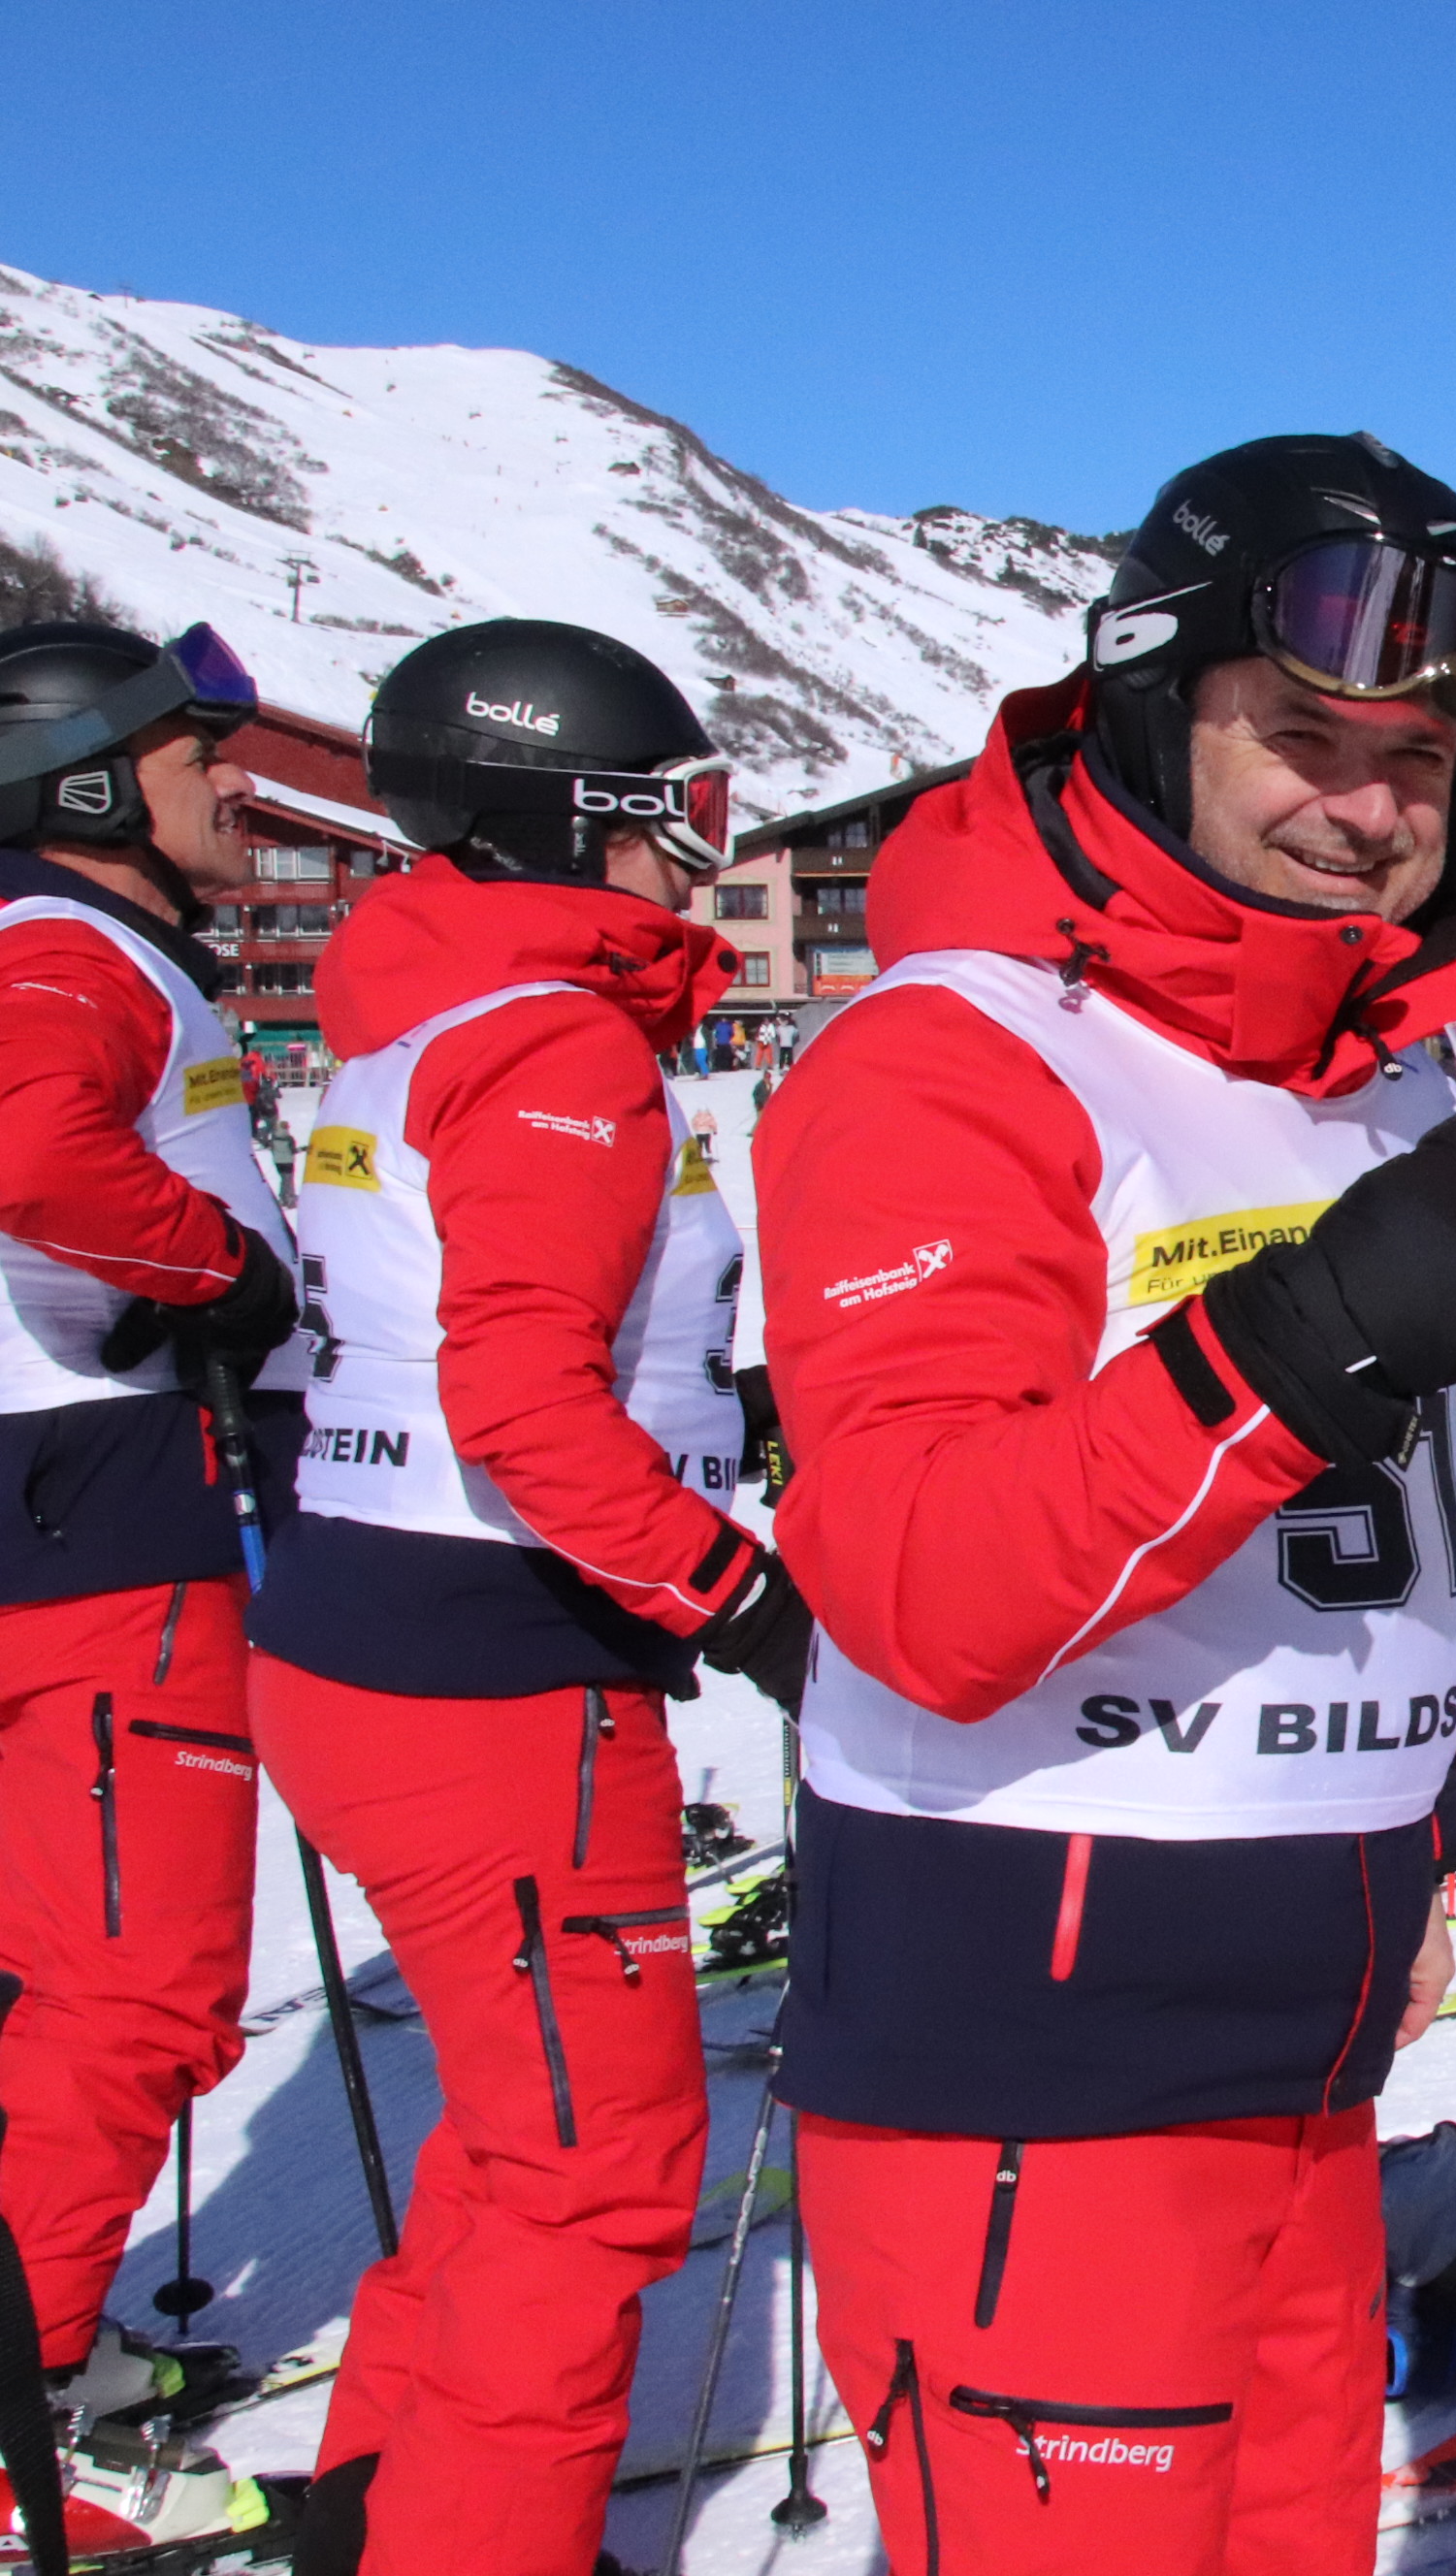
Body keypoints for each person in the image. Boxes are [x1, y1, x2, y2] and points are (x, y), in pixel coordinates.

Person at [750, 434, 1456, 2571]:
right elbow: (920, 1584)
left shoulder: (1381, 1066)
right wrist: (1307, 1332)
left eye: (1420, 759)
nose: (1370, 807)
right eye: (1306, 737)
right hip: (1037, 2060)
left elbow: (1367, 1566)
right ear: (1153, 705)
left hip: (1310, 2041)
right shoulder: (955, 1055)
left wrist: (1417, 1836)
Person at [244, 619, 806, 2576]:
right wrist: (749, 1601)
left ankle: (388, 2501)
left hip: (376, 1634)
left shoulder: (424, 1013)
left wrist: (730, 1408)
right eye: (673, 822)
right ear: (577, 818)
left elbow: (462, 1340)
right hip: (492, 1670)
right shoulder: (558, 1040)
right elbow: (520, 1406)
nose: (690, 865)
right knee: (597, 2167)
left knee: (516, 2130)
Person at [0, 619, 304, 2556]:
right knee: (135, 1987)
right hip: (103, 1516)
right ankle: (17, 2424)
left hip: (70, 1499)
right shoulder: (67, 942)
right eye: (200, 753)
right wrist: (220, 1266)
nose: (236, 785)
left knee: (57, 1977)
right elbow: (30, 1142)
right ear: (95, 778)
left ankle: (32, 2334)